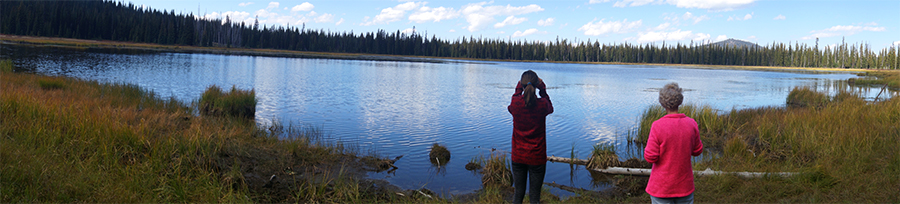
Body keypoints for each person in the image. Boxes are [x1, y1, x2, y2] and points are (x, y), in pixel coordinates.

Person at [644, 82, 704, 204]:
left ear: (662, 103)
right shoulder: (691, 124)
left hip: (661, 188)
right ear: (680, 101)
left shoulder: (657, 126)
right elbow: (697, 151)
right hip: (685, 186)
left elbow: (650, 157)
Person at [508, 70, 553, 204]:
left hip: (518, 156)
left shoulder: (516, 103)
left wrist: (518, 88)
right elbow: (550, 108)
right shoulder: (542, 105)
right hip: (537, 157)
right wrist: (543, 89)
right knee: (534, 197)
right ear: (536, 85)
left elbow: (511, 105)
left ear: (521, 85)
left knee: (518, 194)